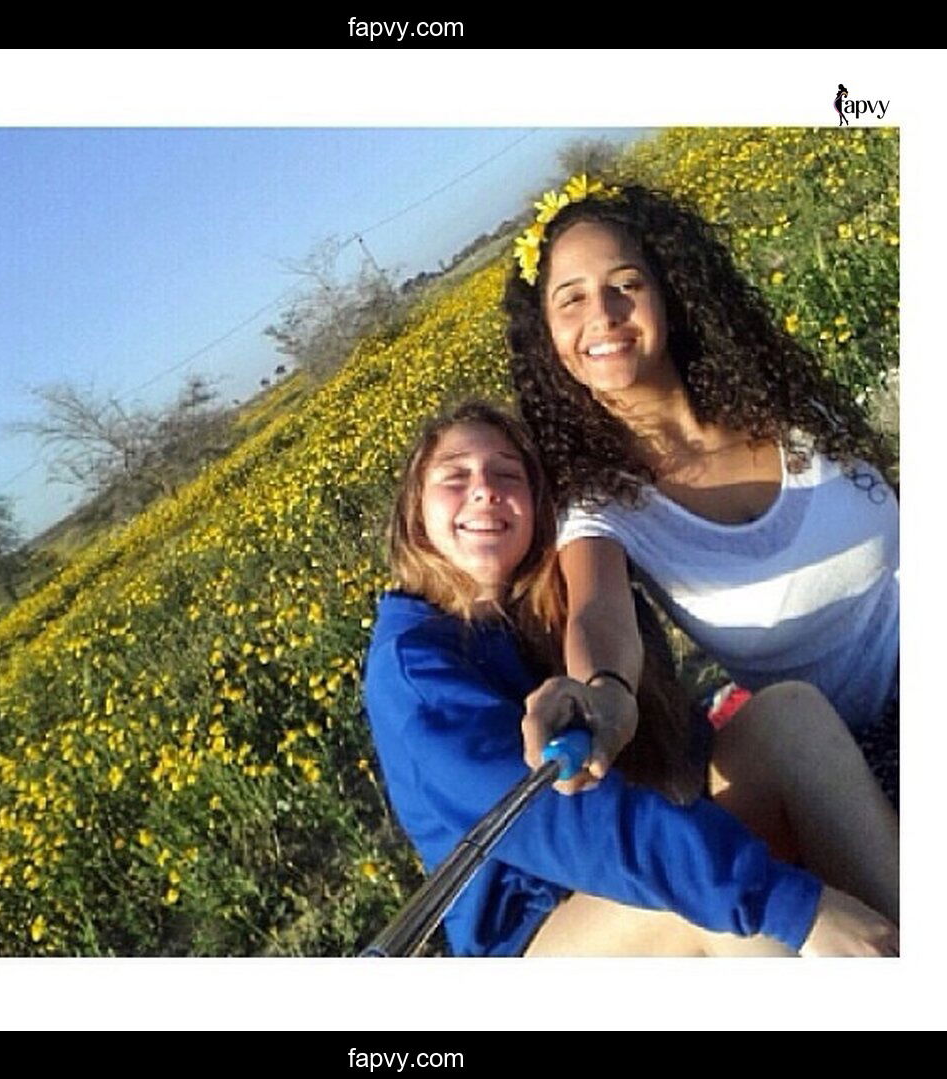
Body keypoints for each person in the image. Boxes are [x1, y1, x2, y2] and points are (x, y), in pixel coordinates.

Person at [363, 400, 898, 957]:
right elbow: (570, 823)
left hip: (638, 853)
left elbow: (678, 759)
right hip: (538, 935)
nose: (484, 490)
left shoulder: (558, 607)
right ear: (414, 513)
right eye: (455, 477)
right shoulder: (414, 670)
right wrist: (796, 907)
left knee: (787, 717)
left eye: (507, 474)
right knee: (696, 901)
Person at [502, 178, 899, 800]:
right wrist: (605, 693)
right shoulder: (603, 507)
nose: (603, 313)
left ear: (668, 293)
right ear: (547, 336)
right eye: (571, 299)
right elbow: (598, 612)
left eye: (626, 284)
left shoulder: (779, 401)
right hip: (869, 751)